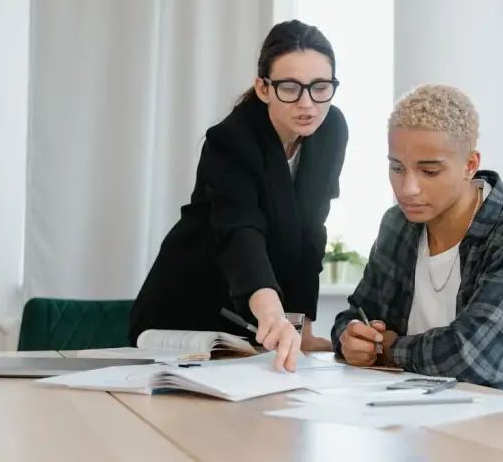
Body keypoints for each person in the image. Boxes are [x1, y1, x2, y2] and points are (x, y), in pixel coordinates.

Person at [129, 20, 348, 372]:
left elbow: (311, 231)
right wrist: (274, 315)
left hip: (254, 318)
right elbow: (239, 232)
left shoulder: (331, 129)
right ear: (263, 88)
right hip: (188, 308)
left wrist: (301, 327)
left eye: (320, 87)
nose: (307, 104)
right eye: (290, 88)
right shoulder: (231, 139)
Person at [331, 84, 503, 399]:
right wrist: (350, 338)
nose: (408, 188)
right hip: (406, 409)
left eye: (429, 171)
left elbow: (476, 357)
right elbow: (356, 315)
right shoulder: (397, 223)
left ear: (470, 165)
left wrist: (387, 348)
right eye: (397, 168)